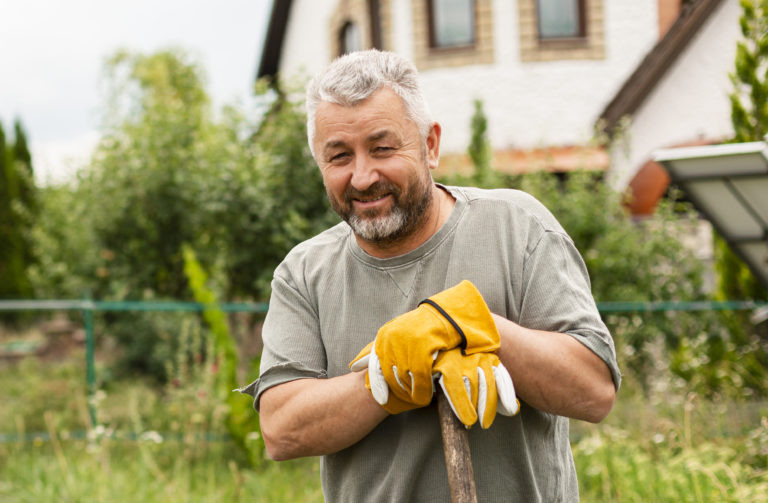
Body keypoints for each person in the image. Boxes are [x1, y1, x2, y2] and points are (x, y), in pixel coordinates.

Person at [239, 49, 620, 502]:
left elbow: (593, 391)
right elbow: (282, 430)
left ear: (431, 145)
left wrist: (479, 328)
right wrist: (385, 378)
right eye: (339, 156)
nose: (362, 177)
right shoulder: (305, 273)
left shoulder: (518, 229)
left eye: (382, 148)